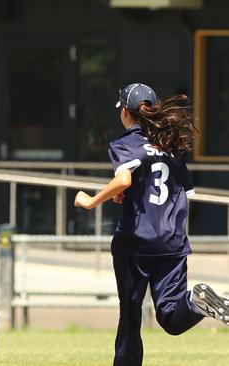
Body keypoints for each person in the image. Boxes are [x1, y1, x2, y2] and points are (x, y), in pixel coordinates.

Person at [74, 83, 229, 366]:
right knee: (171, 316)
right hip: (172, 242)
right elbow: (180, 193)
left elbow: (124, 180)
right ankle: (196, 302)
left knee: (131, 315)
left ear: (125, 113)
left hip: (136, 242)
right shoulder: (171, 148)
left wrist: (91, 201)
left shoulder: (125, 143)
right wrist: (133, 193)